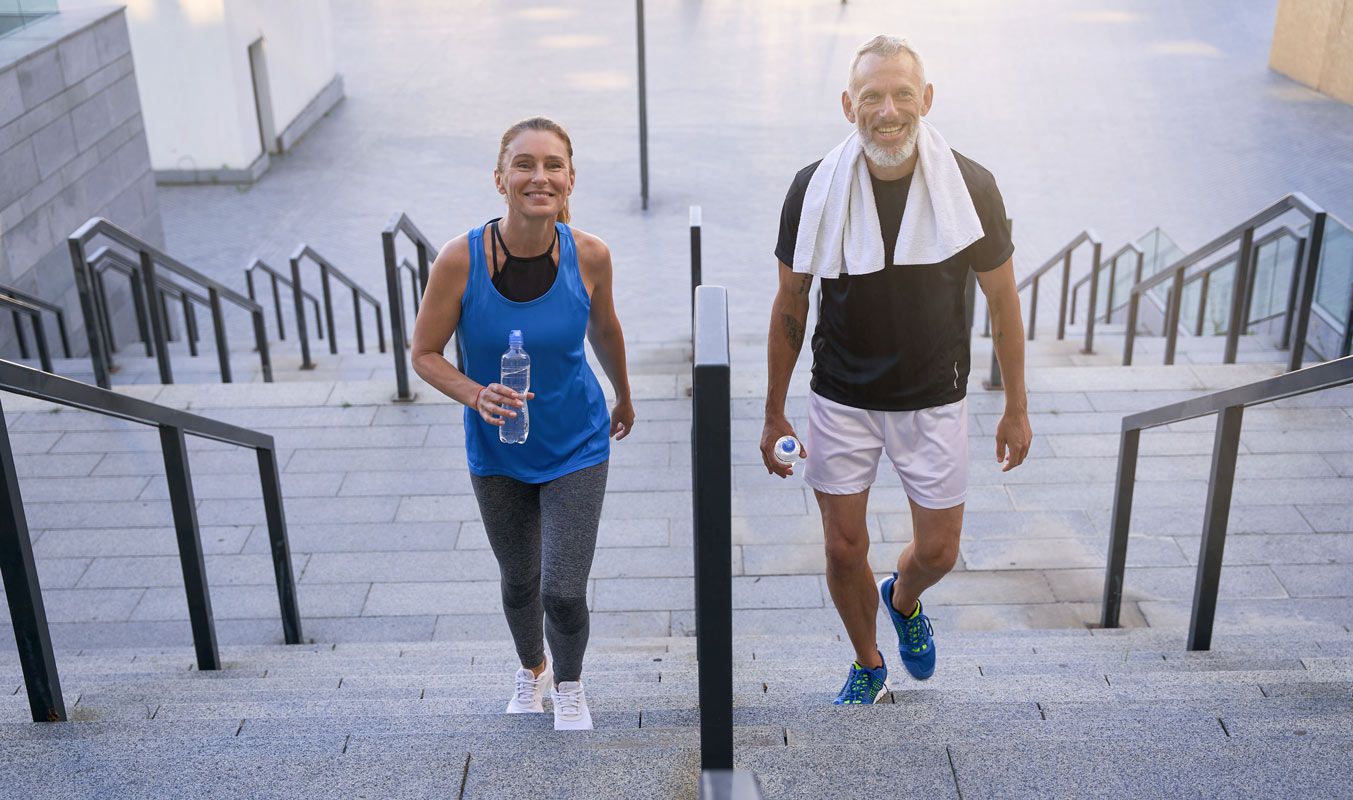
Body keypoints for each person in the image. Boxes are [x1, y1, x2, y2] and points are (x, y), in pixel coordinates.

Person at [760, 35, 1032, 705]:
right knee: (842, 548)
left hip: (933, 396)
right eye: (873, 96)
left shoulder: (970, 186)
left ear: (926, 100)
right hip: (840, 395)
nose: (888, 110)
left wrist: (1016, 406)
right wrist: (772, 411)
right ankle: (867, 661)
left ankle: (902, 599)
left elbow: (1002, 301)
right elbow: (790, 301)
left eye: (902, 94)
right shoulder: (811, 188)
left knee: (938, 551)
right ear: (848, 104)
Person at [411, 116, 634, 730]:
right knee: (519, 581)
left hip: (577, 440)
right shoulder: (460, 260)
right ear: (500, 178)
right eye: (524, 164)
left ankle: (568, 683)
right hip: (498, 446)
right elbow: (424, 353)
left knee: (562, 589)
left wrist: (624, 394)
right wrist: (475, 394)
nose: (539, 176)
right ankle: (531, 667)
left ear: (569, 179)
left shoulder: (590, 255)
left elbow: (605, 330)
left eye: (552, 165)